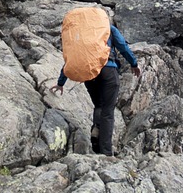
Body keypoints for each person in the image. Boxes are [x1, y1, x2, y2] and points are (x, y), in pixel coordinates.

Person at [49, 17, 140, 156]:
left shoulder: (81, 35)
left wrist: (61, 82)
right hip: (108, 70)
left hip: (89, 73)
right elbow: (123, 46)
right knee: (108, 111)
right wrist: (134, 63)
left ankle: (97, 137)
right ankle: (106, 153)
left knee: (99, 105)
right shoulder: (108, 28)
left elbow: (74, 58)